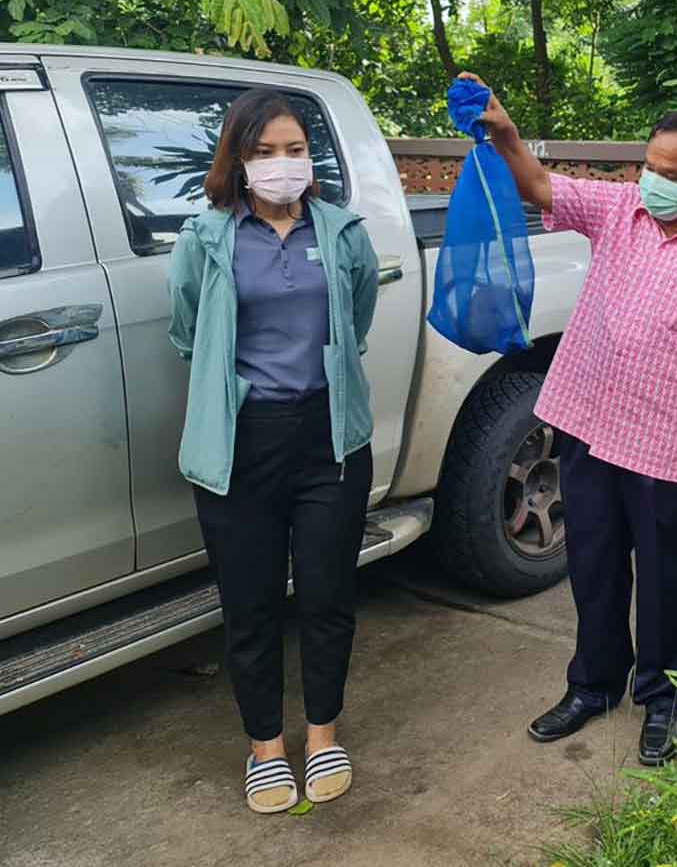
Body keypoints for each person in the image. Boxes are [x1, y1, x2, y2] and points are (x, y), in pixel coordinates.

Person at [455, 73, 677, 766]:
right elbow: (540, 188)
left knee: (667, 582)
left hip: (661, 443)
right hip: (588, 424)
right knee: (592, 569)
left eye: (668, 174)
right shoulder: (619, 209)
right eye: (647, 166)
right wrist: (502, 127)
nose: (650, 181)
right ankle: (592, 685)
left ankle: (664, 697)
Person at [167, 89, 380, 813]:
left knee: (326, 596)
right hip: (241, 442)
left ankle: (322, 734)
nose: (281, 165)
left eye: (294, 150)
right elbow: (190, 333)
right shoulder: (206, 239)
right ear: (237, 160)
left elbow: (357, 318)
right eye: (263, 152)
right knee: (251, 606)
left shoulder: (343, 232)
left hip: (329, 437)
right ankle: (265, 747)